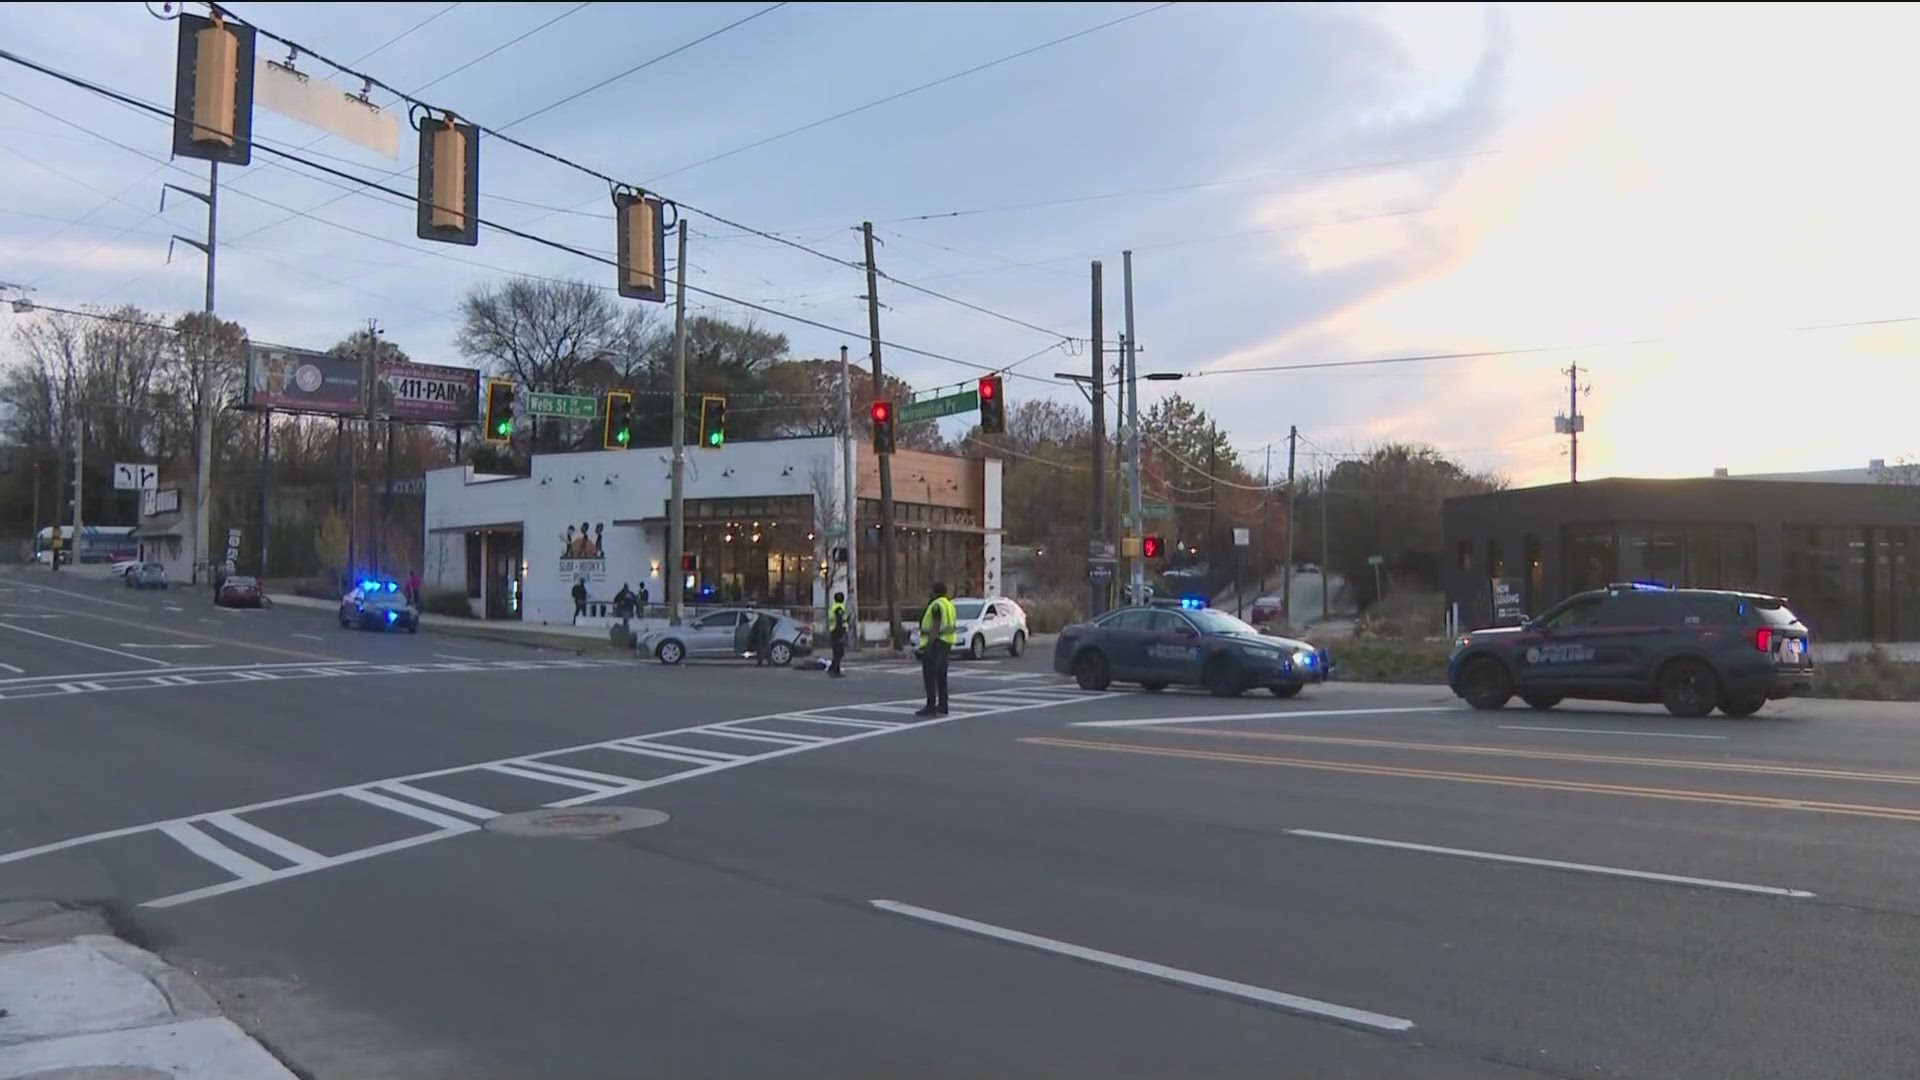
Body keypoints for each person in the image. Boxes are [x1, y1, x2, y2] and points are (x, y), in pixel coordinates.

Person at [915, 581, 957, 718]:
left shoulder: (936, 605)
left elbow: (936, 625)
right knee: (941, 676)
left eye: (930, 590)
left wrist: (928, 646)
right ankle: (943, 705)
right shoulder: (948, 604)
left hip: (935, 644)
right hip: (946, 643)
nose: (929, 592)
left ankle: (931, 705)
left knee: (930, 676)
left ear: (935, 591)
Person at [827, 591, 849, 677]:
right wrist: (841, 632)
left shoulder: (833, 606)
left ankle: (832, 668)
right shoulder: (839, 608)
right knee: (839, 652)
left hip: (833, 630)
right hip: (837, 631)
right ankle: (835, 670)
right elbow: (839, 620)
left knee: (836, 651)